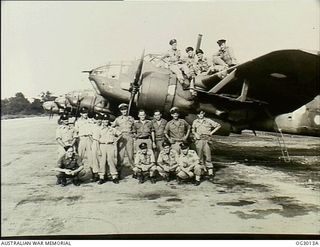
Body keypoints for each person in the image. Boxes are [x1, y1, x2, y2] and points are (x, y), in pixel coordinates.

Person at [192, 110, 221, 182]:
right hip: (199, 140)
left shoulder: (208, 120)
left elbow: (218, 125)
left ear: (204, 114)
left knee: (208, 157)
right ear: (197, 115)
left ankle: (210, 174)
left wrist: (211, 133)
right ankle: (201, 173)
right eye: (199, 114)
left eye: (201, 113)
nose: (200, 115)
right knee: (199, 157)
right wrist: (195, 134)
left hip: (207, 140)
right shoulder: (195, 121)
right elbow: (193, 129)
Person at [98, 114, 121, 184]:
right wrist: (98, 149)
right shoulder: (99, 129)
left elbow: (120, 134)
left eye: (106, 120)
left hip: (110, 145)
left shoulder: (112, 129)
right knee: (102, 162)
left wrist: (116, 140)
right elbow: (96, 139)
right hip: (102, 145)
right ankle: (101, 177)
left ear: (108, 121)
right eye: (104, 120)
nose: (105, 122)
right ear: (102, 121)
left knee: (111, 161)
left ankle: (114, 176)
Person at [112, 103, 135, 172]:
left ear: (127, 110)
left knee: (130, 155)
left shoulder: (131, 118)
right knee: (120, 156)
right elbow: (112, 127)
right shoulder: (118, 119)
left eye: (125, 109)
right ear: (120, 111)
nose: (124, 111)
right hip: (121, 137)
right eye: (122, 110)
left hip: (129, 137)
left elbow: (134, 128)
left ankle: (135, 171)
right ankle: (118, 171)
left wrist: (133, 135)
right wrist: (117, 134)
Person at [88, 114, 103, 182]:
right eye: (97, 119)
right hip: (95, 142)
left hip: (102, 143)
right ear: (94, 120)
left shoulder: (103, 126)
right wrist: (94, 142)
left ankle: (102, 175)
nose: (99, 120)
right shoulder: (92, 126)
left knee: (102, 159)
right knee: (95, 159)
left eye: (100, 119)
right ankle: (96, 175)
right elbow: (90, 135)